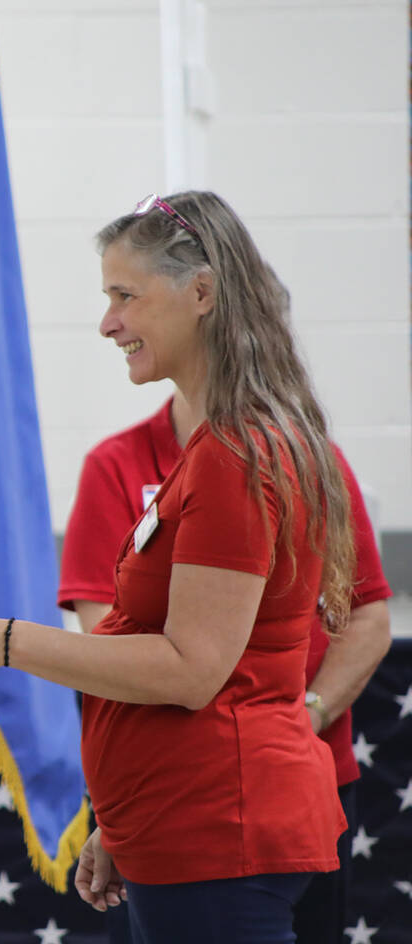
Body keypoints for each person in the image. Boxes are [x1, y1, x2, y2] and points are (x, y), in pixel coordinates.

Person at [0, 191, 358, 943]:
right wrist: (128, 816)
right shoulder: (234, 442)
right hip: (189, 823)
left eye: (125, 296)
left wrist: (5, 643)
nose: (108, 322)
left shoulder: (235, 455)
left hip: (222, 832)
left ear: (202, 294)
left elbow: (191, 670)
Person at [59, 388, 392, 944]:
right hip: (174, 795)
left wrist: (301, 719)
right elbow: (110, 641)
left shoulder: (307, 458)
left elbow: (367, 618)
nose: (109, 325)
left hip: (300, 786)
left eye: (125, 296)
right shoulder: (118, 463)